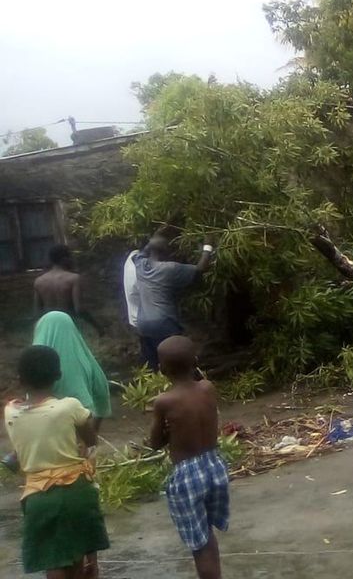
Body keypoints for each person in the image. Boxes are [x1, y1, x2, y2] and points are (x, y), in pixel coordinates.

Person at [4, 345, 110, 578]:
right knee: (85, 558)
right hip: (77, 490)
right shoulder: (69, 406)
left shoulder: (10, 411)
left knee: (54, 558)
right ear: (59, 376)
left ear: (20, 378)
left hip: (38, 497)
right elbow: (90, 438)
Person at [148, 336, 228, 579]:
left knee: (198, 544)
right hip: (214, 466)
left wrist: (162, 426)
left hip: (187, 475)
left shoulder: (164, 401)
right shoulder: (208, 388)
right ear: (195, 361)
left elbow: (155, 443)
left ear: (161, 369)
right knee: (206, 533)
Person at [133, 234, 214, 369]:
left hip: (143, 325)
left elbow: (147, 248)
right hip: (165, 324)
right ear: (167, 252)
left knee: (152, 364)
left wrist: (164, 229)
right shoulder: (170, 269)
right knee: (175, 364)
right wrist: (208, 246)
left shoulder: (140, 264)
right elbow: (200, 269)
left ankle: (156, 387)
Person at [32, 312, 112, 432]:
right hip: (78, 430)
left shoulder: (33, 362)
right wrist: (93, 435)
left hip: (42, 433)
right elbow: (101, 390)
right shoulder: (83, 358)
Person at [33, 244, 103, 336]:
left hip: (48, 327)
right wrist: (97, 326)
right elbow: (79, 309)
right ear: (65, 259)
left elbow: (37, 312)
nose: (72, 260)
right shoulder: (73, 279)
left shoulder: (39, 281)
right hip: (68, 325)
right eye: (70, 257)